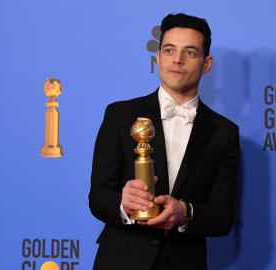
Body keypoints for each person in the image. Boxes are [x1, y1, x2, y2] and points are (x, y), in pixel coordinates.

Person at [89, 13, 240, 270]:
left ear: (207, 63)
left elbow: (223, 216)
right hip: (120, 261)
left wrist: (186, 212)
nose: (177, 60)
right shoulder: (119, 115)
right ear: (158, 57)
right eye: (169, 50)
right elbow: (98, 196)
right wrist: (124, 204)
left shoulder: (224, 132)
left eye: (190, 52)